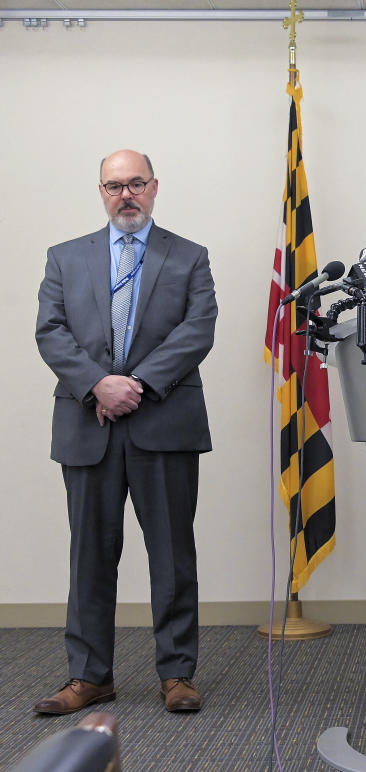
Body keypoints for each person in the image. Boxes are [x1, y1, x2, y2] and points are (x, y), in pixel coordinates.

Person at [34, 149, 217, 715]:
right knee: (89, 555)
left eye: (136, 183)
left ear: (155, 187)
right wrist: (99, 384)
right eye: (115, 186)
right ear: (101, 192)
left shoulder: (189, 256)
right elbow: (51, 331)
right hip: (88, 425)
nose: (126, 195)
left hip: (164, 422)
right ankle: (90, 676)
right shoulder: (65, 258)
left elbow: (198, 329)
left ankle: (178, 674)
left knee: (171, 554)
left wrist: (135, 383)